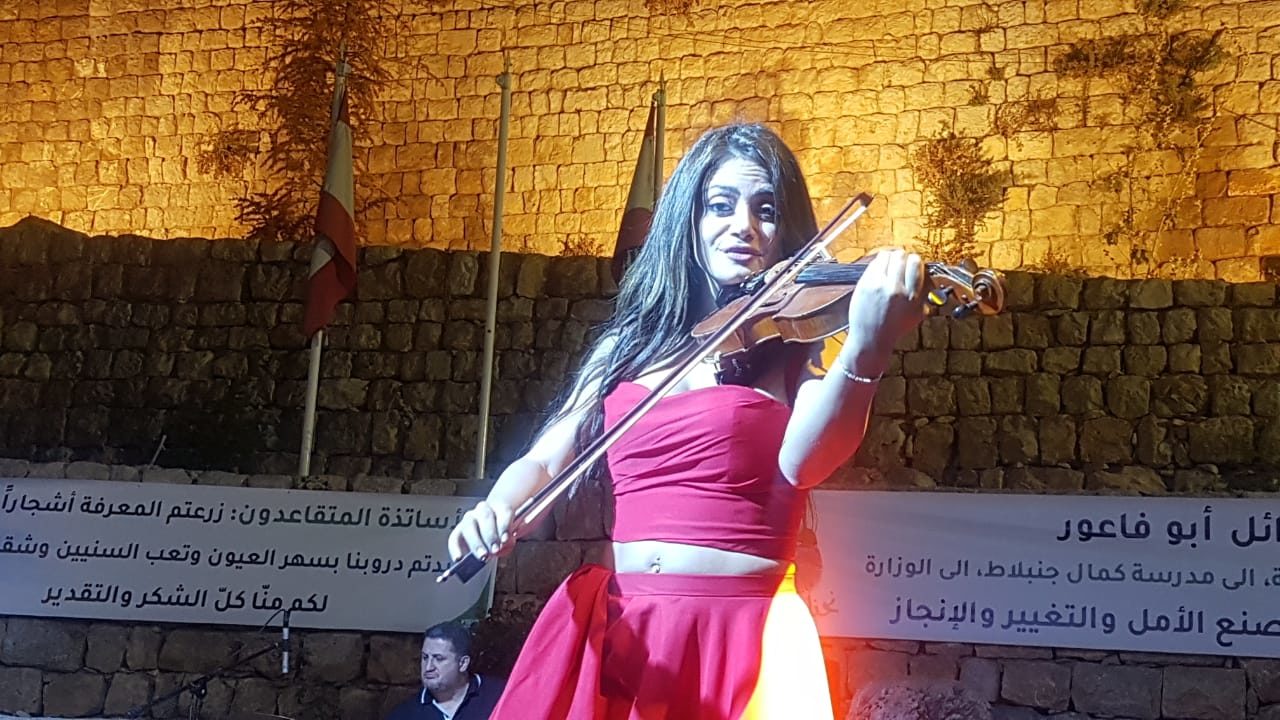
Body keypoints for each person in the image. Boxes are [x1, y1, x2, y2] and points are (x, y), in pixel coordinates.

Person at [447, 123, 926, 719]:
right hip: (628, 626)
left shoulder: (795, 345)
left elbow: (807, 462)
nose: (744, 226)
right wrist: (497, 506)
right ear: (688, 219)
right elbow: (547, 459)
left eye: (767, 210)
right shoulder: (629, 345)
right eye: (720, 205)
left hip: (740, 634)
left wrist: (866, 350)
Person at [385, 621, 505, 720]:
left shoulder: (500, 696)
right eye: (425, 658)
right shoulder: (405, 714)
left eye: (438, 659)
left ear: (463, 663)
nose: (428, 667)